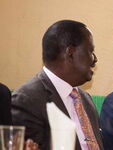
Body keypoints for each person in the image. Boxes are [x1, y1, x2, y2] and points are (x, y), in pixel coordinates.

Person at [11, 20, 103, 150]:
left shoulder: (86, 100)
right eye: (90, 52)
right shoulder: (26, 100)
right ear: (70, 53)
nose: (95, 59)